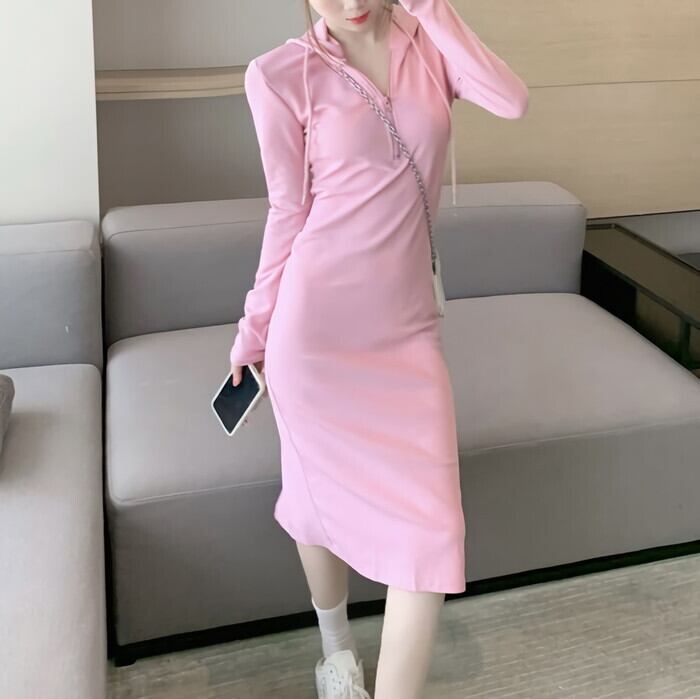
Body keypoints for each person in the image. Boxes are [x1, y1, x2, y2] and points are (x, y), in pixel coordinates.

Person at [229, 1, 529, 696]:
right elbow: (287, 211)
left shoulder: (428, 43)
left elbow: (511, 101)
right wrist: (255, 328)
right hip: (316, 335)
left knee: (433, 531)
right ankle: (336, 654)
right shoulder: (278, 75)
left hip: (409, 333)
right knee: (311, 497)